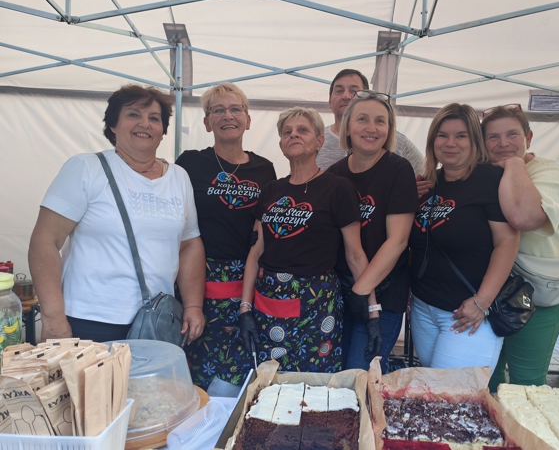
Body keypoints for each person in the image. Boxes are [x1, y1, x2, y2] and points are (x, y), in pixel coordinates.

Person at [28, 85, 205, 343]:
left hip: (155, 322)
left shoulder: (179, 177)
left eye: (154, 118)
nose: (144, 123)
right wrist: (53, 318)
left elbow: (189, 245)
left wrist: (193, 305)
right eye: (133, 114)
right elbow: (44, 242)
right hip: (89, 321)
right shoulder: (86, 168)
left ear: (163, 131)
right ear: (113, 125)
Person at [239, 107, 369, 372]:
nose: (293, 135)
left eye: (302, 130)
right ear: (281, 145)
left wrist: (373, 308)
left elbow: (355, 254)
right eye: (287, 132)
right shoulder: (272, 190)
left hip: (317, 305)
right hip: (269, 302)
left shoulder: (338, 188)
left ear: (319, 141)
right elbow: (255, 252)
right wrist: (245, 308)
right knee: (270, 380)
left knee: (315, 383)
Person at [176, 83, 276, 390]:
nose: (227, 116)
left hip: (246, 285)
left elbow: (265, 232)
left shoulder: (265, 169)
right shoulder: (190, 163)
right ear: (207, 122)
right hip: (198, 283)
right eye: (217, 110)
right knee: (194, 374)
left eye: (235, 109)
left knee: (238, 377)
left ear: (248, 119)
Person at [408, 103, 520, 370]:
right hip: (423, 307)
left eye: (461, 136)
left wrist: (482, 302)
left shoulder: (491, 179)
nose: (450, 143)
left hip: (467, 312)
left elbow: (507, 242)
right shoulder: (428, 183)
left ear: (474, 142)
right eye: (442, 135)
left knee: (453, 393)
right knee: (434, 388)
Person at [481, 104, 559, 391]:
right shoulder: (482, 172)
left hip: (539, 293)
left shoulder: (549, 172)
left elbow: (524, 217)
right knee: (485, 377)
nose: (503, 143)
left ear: (529, 137)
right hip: (488, 290)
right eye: (493, 137)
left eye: (512, 134)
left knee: (527, 382)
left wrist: (514, 164)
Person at [327, 90, 418, 372]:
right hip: (340, 293)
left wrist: (361, 292)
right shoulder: (334, 174)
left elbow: (398, 240)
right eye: (363, 119)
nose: (371, 128)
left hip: (384, 293)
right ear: (347, 127)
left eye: (380, 121)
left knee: (359, 373)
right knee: (336, 373)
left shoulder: (398, 169)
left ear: (389, 130)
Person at [316, 69, 425, 175]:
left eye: (354, 91)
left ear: (366, 97)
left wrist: (414, 184)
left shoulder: (399, 142)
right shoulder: (315, 141)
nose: (346, 96)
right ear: (329, 101)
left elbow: (427, 173)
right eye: (339, 91)